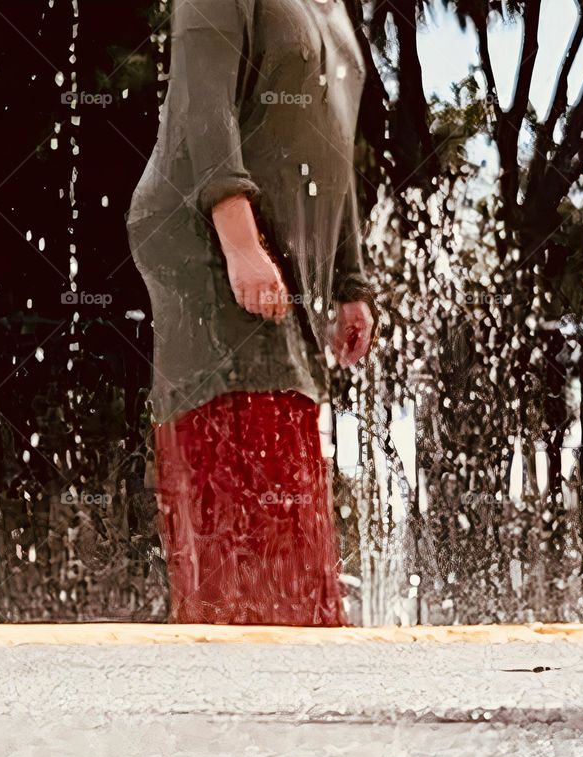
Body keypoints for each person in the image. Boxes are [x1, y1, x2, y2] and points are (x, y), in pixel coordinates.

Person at [127, 0, 376, 625]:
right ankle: (248, 658)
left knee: (282, 441)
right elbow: (199, 101)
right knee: (249, 438)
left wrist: (350, 279)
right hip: (207, 240)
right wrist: (239, 244)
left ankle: (287, 653)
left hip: (282, 251)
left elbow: (335, 139)